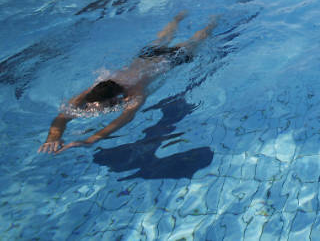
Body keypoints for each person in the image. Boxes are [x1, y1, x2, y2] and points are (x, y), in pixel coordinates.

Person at [38, 12, 216, 155]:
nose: (98, 110)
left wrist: (90, 140)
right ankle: (179, 16)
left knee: (194, 41)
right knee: (161, 39)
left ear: (118, 97)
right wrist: (53, 137)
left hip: (167, 60)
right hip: (145, 57)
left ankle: (212, 21)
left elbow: (124, 118)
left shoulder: (136, 93)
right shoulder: (92, 92)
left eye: (106, 106)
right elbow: (62, 117)